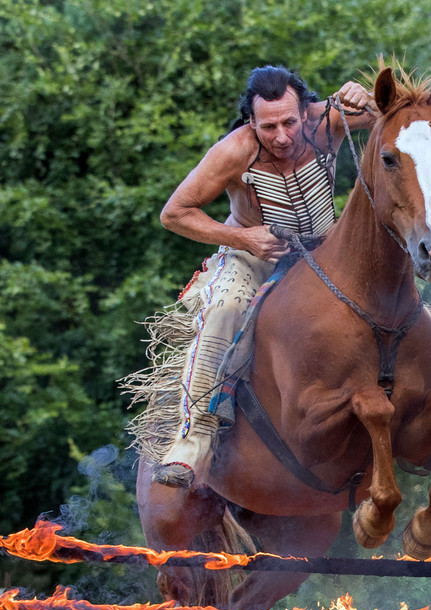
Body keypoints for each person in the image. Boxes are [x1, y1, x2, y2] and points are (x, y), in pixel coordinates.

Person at [151, 64, 375, 488]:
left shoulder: (329, 119)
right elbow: (174, 213)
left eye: (290, 122)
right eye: (268, 126)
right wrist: (242, 237)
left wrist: (366, 97)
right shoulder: (234, 150)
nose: (283, 136)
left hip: (326, 255)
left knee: (393, 293)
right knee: (225, 307)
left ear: (305, 112)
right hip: (252, 258)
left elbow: (404, 116)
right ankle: (192, 441)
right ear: (251, 121)